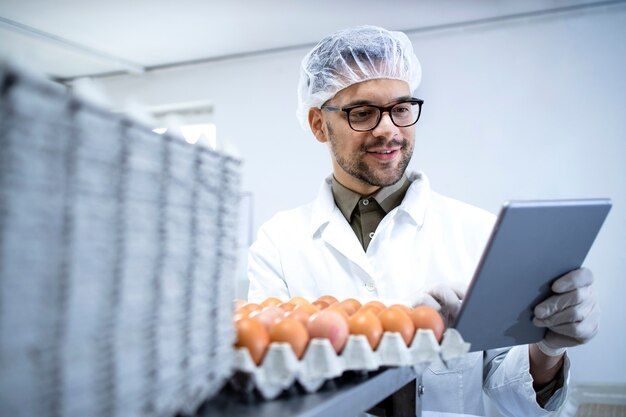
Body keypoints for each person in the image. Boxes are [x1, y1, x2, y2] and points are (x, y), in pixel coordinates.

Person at [247, 25, 599, 416]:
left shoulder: (476, 231)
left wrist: (548, 347)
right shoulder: (279, 243)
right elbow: (267, 386)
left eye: (400, 109)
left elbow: (510, 391)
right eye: (362, 113)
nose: (388, 129)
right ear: (318, 123)